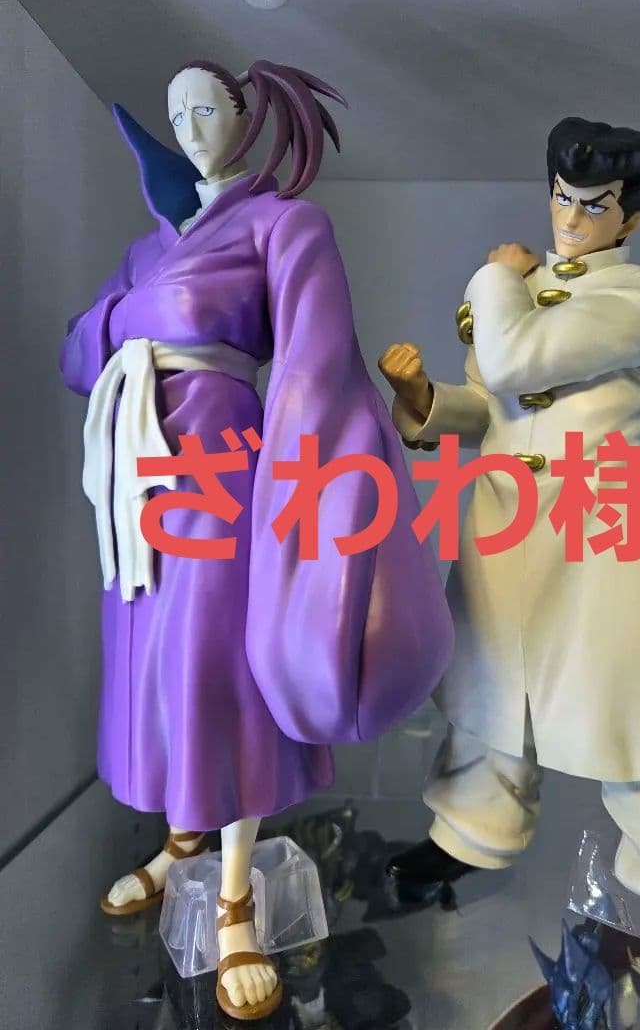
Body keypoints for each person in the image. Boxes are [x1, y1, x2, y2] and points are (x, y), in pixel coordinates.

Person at [61, 57, 451, 1021]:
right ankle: (180, 840)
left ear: (248, 119)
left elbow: (316, 360)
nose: (190, 127)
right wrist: (133, 319)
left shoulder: (286, 224)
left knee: (220, 664)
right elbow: (77, 350)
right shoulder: (146, 247)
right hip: (137, 472)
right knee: (149, 656)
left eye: (207, 109)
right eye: (176, 113)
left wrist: (311, 483)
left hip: (226, 466)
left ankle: (234, 898)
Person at [378, 117, 640, 1005]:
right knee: (488, 704)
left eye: (593, 205)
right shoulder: (529, 289)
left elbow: (519, 359)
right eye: (560, 197)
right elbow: (493, 402)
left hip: (600, 527)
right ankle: (469, 836)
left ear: (632, 218)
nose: (569, 217)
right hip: (506, 526)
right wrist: (425, 401)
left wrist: (494, 275)